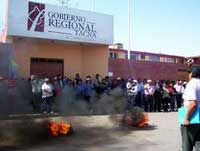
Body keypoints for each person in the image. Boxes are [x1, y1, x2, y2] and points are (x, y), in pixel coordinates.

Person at [181, 66, 200, 151]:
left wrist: (186, 118)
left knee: (187, 146)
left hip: (192, 119)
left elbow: (193, 103)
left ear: (191, 74)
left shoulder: (192, 83)